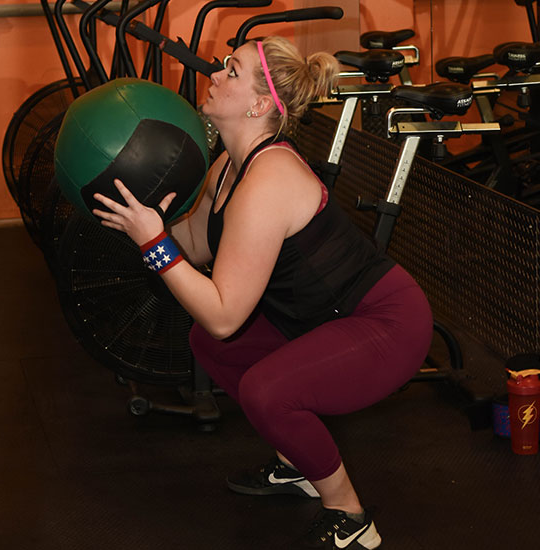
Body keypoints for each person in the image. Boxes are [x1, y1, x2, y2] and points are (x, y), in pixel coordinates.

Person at [92, 36, 433, 550]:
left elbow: (225, 313)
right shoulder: (227, 167)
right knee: (211, 347)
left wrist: (154, 245)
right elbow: (194, 246)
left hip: (387, 324)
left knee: (265, 389)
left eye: (232, 69)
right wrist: (142, 225)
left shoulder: (267, 178)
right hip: (323, 319)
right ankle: (301, 464)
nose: (216, 72)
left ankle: (350, 516)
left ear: (259, 104)